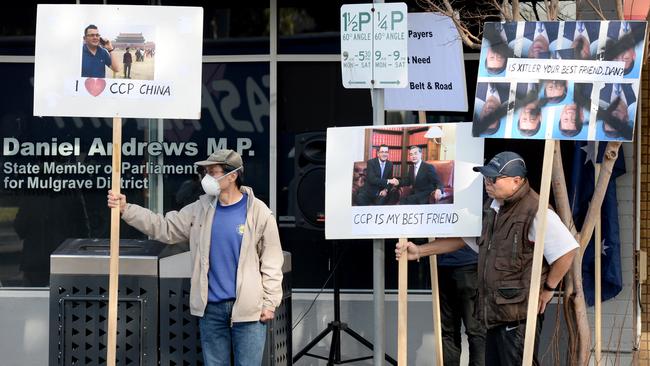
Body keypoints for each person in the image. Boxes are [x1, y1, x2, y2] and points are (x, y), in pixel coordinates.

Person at [396, 151, 578, 365]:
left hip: (517, 317)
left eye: (493, 178)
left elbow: (567, 250)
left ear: (516, 181)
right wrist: (420, 251)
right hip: (493, 315)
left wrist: (548, 289)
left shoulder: (536, 211)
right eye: (485, 177)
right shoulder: (493, 207)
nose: (487, 183)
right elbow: (465, 240)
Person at [107, 149, 284, 366]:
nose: (206, 177)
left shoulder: (258, 212)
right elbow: (165, 227)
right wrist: (126, 209)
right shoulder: (200, 209)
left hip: (250, 311)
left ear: (233, 175)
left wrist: (270, 303)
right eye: (205, 172)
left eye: (213, 171)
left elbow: (272, 261)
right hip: (211, 309)